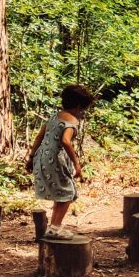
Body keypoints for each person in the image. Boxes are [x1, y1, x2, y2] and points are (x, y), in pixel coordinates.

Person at [25, 84, 95, 238]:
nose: (82, 112)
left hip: (42, 157)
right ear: (78, 105)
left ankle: (53, 227)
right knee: (68, 193)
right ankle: (55, 227)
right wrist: (77, 164)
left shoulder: (54, 117)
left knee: (60, 193)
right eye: (83, 108)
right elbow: (66, 141)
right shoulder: (72, 121)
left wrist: (31, 157)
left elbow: (39, 137)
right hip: (56, 160)